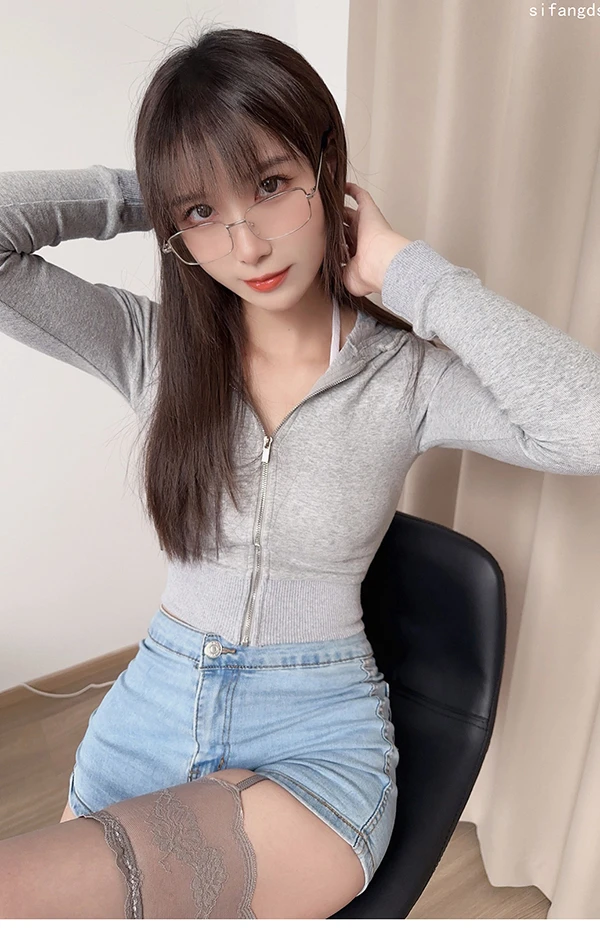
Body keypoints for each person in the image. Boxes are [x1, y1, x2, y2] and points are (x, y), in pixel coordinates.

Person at [1, 24, 599, 921]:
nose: (247, 247)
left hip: (318, 739)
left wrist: (406, 270)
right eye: (203, 214)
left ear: (328, 171)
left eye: (272, 185)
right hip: (150, 712)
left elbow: (586, 425)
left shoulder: (406, 380)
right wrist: (157, 191)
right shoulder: (152, 351)